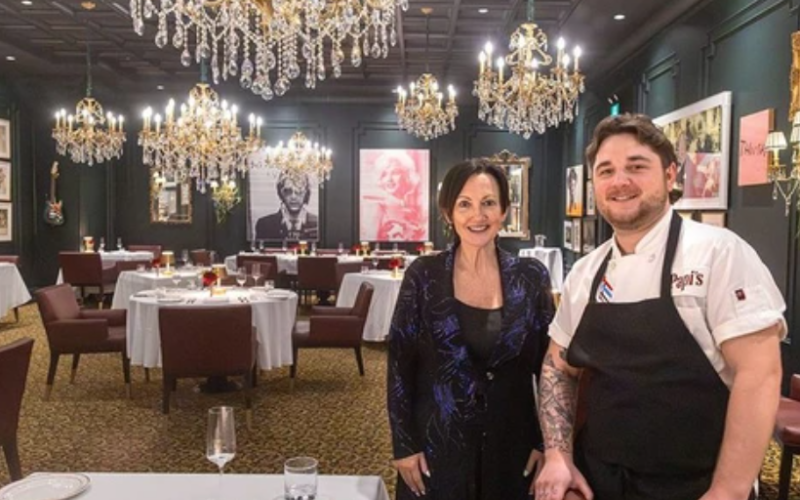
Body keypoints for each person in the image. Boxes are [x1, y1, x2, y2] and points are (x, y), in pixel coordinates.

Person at [535, 113, 785, 500]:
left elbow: (759, 374)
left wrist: (728, 491)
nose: (620, 181)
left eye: (636, 166)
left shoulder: (719, 254)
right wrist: (558, 455)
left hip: (697, 484)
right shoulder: (585, 272)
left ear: (670, 175)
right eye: (606, 171)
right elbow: (558, 366)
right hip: (599, 479)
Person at [387, 159, 554, 500]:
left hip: (513, 451)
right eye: (464, 204)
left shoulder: (530, 277)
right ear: (448, 213)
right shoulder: (423, 275)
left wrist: (547, 444)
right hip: (435, 451)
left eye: (488, 203)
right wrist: (404, 445)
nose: (478, 216)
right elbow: (399, 366)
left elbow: (550, 369)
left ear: (504, 210)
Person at [363, 151, 426, 241]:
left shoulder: (413, 212)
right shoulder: (377, 208)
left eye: (395, 172)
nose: (389, 179)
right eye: (384, 174)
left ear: (407, 176)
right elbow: (370, 241)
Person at [255, 171, 318, 241]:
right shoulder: (265, 225)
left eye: (299, 191)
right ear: (281, 193)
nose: (293, 197)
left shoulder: (318, 224)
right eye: (288, 191)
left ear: (306, 193)